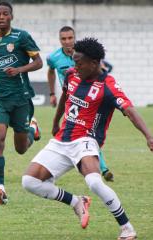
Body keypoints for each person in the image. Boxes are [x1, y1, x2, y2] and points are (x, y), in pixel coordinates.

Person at [22, 38, 153, 240]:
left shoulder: (108, 85)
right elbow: (65, 97)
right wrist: (55, 121)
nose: (74, 67)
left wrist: (149, 136)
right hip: (62, 140)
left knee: (95, 182)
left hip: (86, 140)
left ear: (94, 63)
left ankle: (127, 228)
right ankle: (77, 202)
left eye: (79, 63)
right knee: (29, 182)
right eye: (73, 62)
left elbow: (129, 110)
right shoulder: (71, 75)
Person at [0, 1, 42, 205]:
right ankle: (0, 187)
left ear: (11, 16)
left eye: (6, 13)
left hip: (21, 98)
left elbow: (38, 62)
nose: (2, 17)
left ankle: (33, 129)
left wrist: (19, 70)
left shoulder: (21, 36)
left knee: (21, 148)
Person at [47, 26, 114, 182]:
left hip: (87, 98)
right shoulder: (53, 57)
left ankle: (102, 169)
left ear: (74, 38)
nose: (67, 41)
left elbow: (100, 70)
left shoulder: (83, 55)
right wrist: (51, 93)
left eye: (70, 38)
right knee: (80, 132)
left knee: (88, 130)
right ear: (60, 40)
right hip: (69, 98)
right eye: (64, 39)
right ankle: (93, 167)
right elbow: (50, 71)